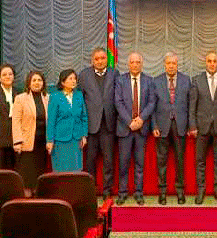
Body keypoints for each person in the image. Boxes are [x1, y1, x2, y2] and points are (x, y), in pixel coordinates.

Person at [189, 51, 217, 205]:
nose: (212, 64)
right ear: (205, 63)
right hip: (201, 128)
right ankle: (201, 191)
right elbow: (192, 106)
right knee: (200, 162)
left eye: (215, 61)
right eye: (209, 61)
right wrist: (192, 126)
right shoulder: (196, 80)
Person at [115, 52, 155, 205]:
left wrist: (141, 119)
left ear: (141, 64)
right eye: (132, 62)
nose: (135, 65)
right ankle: (122, 193)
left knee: (139, 164)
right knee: (123, 163)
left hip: (141, 129)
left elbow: (151, 102)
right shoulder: (120, 80)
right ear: (128, 64)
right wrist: (129, 121)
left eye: (138, 62)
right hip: (125, 128)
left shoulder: (149, 81)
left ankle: (139, 193)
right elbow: (118, 102)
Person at [78, 47, 119, 198]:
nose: (100, 61)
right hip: (90, 126)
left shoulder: (115, 74)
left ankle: (107, 191)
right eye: (97, 59)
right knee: (90, 161)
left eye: (102, 58)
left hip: (108, 125)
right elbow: (80, 100)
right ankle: (91, 190)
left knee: (109, 161)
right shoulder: (84, 75)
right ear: (92, 60)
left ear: (107, 59)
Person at [151, 52, 190, 205]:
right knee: (161, 161)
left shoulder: (186, 80)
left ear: (177, 64)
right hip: (162, 126)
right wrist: (154, 125)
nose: (171, 66)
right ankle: (162, 192)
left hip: (180, 126)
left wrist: (190, 125)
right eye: (169, 63)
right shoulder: (156, 81)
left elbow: (190, 105)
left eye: (174, 63)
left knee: (180, 161)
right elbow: (152, 106)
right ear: (164, 65)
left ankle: (180, 191)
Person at [12, 71, 49, 195]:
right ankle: (27, 200)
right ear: (28, 83)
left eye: (39, 80)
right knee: (27, 177)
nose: (37, 83)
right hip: (26, 144)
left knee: (39, 176)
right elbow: (16, 121)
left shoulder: (48, 98)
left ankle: (37, 200)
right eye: (34, 80)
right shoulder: (20, 98)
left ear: (43, 83)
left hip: (42, 144)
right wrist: (17, 141)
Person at [46, 69, 88, 173]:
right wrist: (50, 140)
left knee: (76, 169)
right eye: (70, 78)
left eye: (75, 79)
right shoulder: (55, 97)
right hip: (60, 140)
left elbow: (83, 117)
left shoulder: (79, 95)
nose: (73, 81)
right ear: (63, 82)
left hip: (76, 139)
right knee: (61, 169)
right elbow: (51, 121)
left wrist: (84, 135)